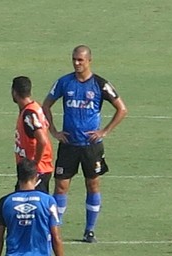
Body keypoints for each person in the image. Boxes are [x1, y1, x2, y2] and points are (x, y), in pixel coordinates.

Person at [42, 44, 128, 243]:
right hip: (69, 145)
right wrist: (54, 131)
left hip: (91, 146)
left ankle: (89, 230)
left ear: (89, 60)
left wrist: (104, 131)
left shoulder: (100, 84)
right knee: (61, 187)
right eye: (74, 59)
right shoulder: (64, 82)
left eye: (80, 60)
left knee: (93, 184)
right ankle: (55, 230)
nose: (76, 63)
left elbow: (122, 109)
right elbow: (46, 105)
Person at [12, 76, 54, 193]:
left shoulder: (29, 114)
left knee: (30, 205)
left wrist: (35, 163)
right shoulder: (34, 108)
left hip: (35, 172)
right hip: (33, 170)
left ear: (14, 92)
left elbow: (42, 140)